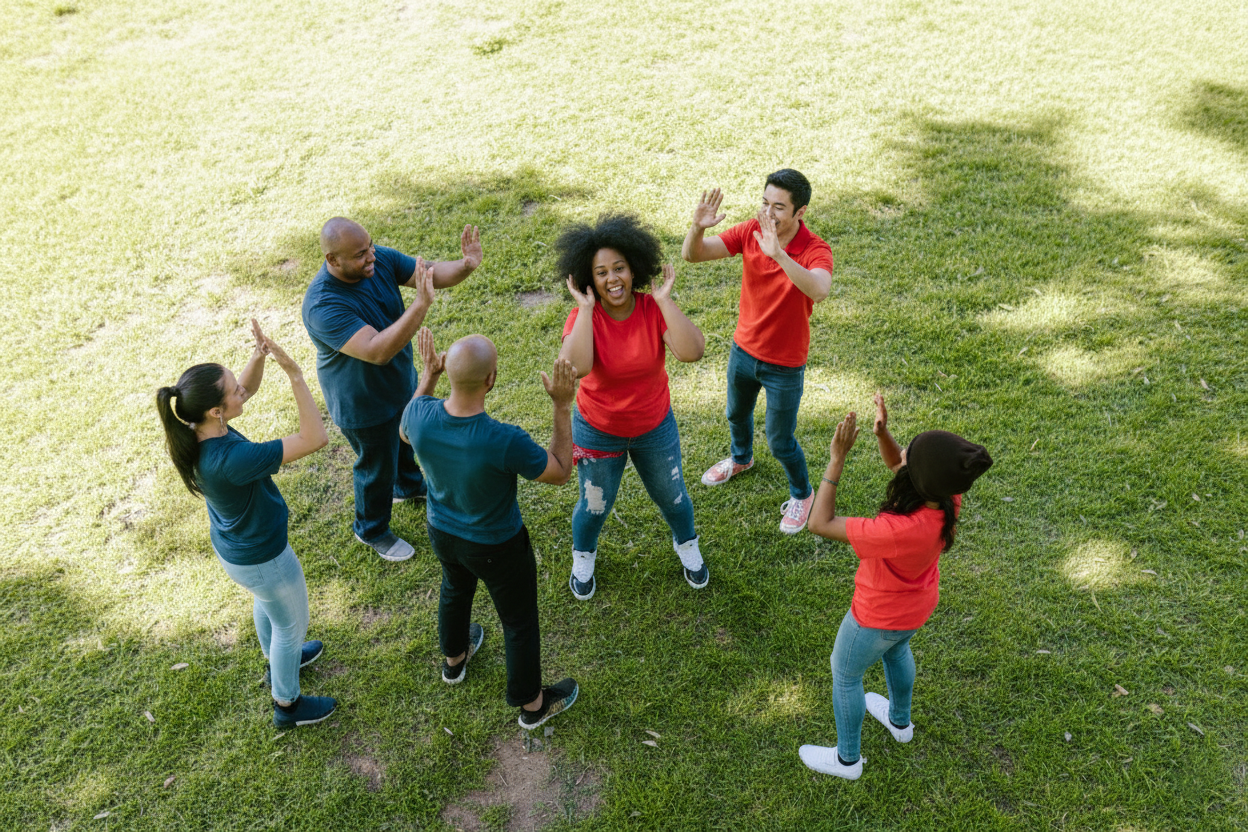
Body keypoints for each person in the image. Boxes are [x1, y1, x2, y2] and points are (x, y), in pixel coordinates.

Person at [798, 394, 993, 779]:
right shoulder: (947, 495)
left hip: (875, 617)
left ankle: (847, 760)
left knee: (846, 673)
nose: (903, 454)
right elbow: (899, 464)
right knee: (897, 650)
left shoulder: (898, 531)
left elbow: (819, 523)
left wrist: (836, 460)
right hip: (915, 608)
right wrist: (884, 435)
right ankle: (900, 724)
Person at [155, 321, 337, 728]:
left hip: (238, 551)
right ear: (216, 411)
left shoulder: (198, 427)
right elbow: (315, 438)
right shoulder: (233, 460)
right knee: (291, 625)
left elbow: (246, 392)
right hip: (263, 556)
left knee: (268, 605)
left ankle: (278, 661)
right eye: (234, 388)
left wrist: (258, 357)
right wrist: (295, 375)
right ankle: (287, 705)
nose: (243, 388)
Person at [399, 327, 580, 729]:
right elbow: (562, 471)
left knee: (454, 588)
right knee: (517, 621)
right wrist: (562, 406)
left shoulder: (419, 416)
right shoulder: (503, 439)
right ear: (491, 379)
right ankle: (532, 706)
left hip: (442, 533)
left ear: (447, 373)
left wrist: (426, 376)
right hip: (498, 545)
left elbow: (403, 429)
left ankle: (454, 661)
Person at [302, 217, 483, 563]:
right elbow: (377, 351)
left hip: (401, 383)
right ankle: (370, 529)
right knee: (375, 466)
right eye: (360, 255)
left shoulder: (375, 258)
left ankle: (408, 485)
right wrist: (420, 305)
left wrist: (465, 265)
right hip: (362, 403)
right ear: (332, 260)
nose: (371, 257)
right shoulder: (322, 305)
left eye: (370, 246)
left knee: (404, 441)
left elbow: (427, 272)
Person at [557, 213, 708, 601]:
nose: (613, 279)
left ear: (634, 268)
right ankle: (583, 554)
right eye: (602, 272)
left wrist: (664, 300)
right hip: (597, 429)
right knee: (593, 506)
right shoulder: (582, 316)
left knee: (673, 496)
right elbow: (577, 367)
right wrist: (588, 311)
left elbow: (693, 351)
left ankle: (686, 544)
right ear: (589, 278)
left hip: (653, 426)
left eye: (620, 268)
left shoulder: (651, 308)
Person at [681, 169, 834, 534]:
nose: (768, 213)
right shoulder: (751, 229)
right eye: (765, 203)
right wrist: (697, 227)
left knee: (781, 440)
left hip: (785, 364)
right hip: (743, 351)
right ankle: (741, 459)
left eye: (779, 207)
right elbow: (694, 255)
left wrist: (779, 254)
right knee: (736, 414)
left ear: (801, 212)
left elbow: (819, 290)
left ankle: (803, 494)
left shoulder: (815, 248)